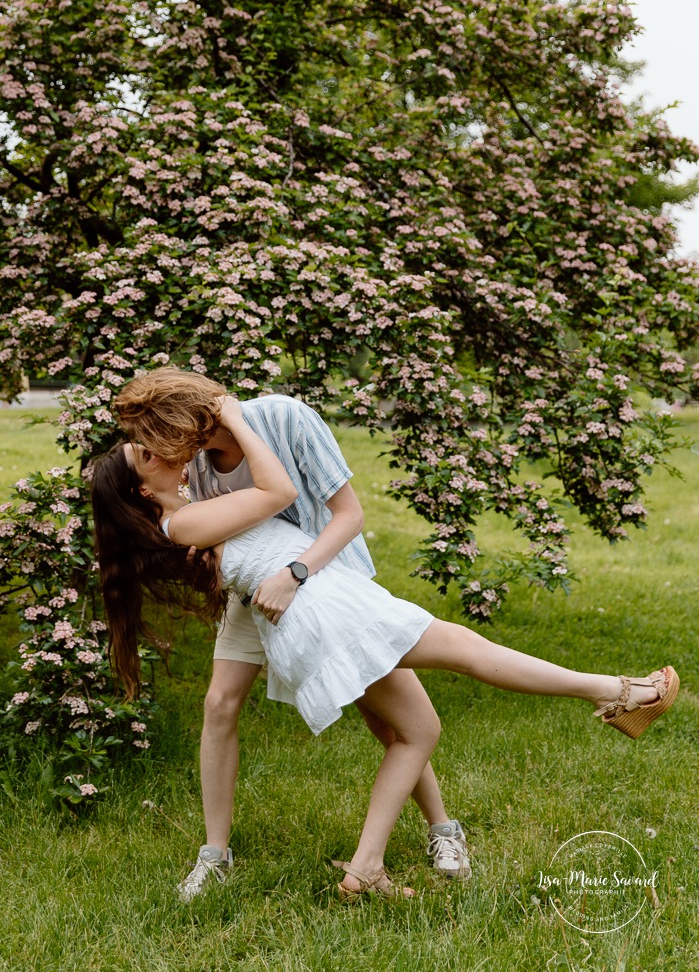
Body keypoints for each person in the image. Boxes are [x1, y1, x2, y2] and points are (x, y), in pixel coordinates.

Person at [92, 395, 680, 900]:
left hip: (319, 593)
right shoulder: (185, 518)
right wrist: (234, 415)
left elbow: (288, 517)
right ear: (145, 487)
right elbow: (276, 492)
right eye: (143, 452)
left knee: (423, 713)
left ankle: (373, 863)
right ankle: (616, 692)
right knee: (457, 666)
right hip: (321, 608)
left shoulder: (197, 496)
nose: (153, 444)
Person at [113, 369, 469, 898]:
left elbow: (347, 516)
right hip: (255, 595)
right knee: (218, 705)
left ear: (179, 422)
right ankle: (214, 855)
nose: (154, 449)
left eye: (152, 439)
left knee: (391, 724)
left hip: (321, 581)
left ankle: (443, 830)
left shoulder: (283, 416)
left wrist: (295, 575)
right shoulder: (200, 467)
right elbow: (220, 532)